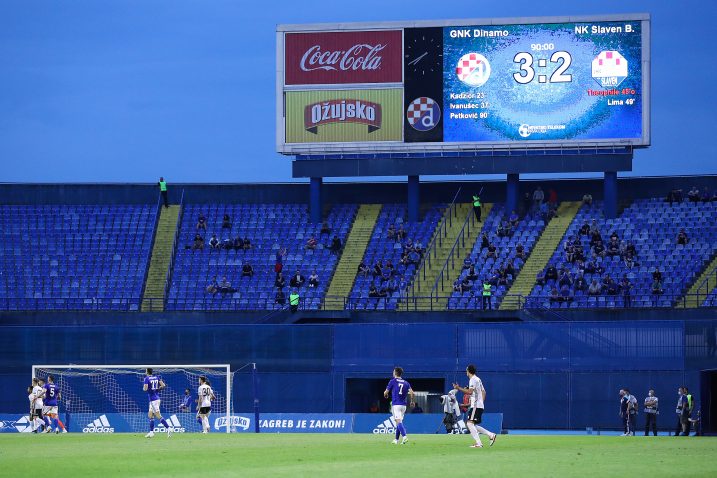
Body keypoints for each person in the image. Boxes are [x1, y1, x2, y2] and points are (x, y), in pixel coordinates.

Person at [453, 364, 497, 448]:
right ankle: (491, 435)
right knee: (472, 425)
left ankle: (479, 443)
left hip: (476, 405)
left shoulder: (472, 379)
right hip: (478, 405)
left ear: (469, 371)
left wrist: (458, 388)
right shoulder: (478, 379)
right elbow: (484, 392)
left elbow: (469, 392)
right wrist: (481, 402)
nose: (466, 372)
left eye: (466, 370)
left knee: (469, 424)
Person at [384, 366, 415, 445]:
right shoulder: (406, 382)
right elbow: (412, 393)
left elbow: (385, 392)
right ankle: (396, 440)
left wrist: (386, 395)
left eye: (393, 371)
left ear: (395, 372)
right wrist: (412, 401)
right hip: (403, 406)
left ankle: (404, 437)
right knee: (399, 422)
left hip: (396, 405)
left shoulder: (392, 381)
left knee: (398, 421)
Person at [143, 368, 172, 438]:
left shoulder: (146, 378)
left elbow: (145, 389)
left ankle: (169, 428)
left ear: (147, 372)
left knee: (158, 415)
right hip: (156, 398)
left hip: (153, 400)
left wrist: (144, 388)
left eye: (145, 371)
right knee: (150, 415)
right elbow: (163, 385)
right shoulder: (157, 377)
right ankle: (151, 432)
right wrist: (157, 390)